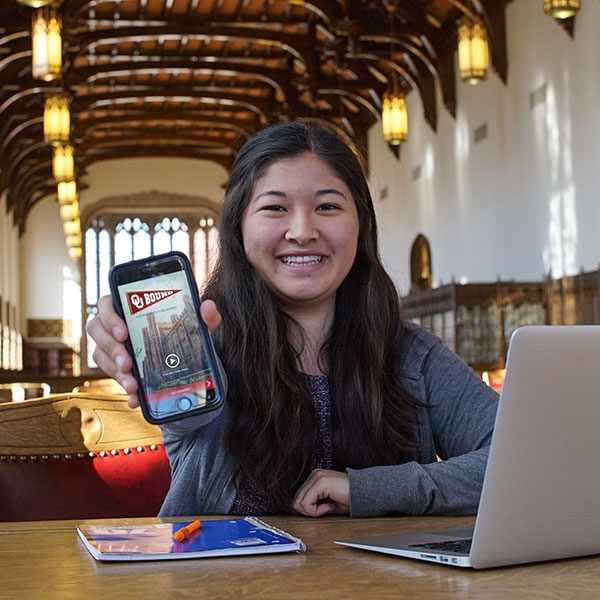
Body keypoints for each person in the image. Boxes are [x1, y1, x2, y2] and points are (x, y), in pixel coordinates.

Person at [87, 120, 499, 519]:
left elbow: (526, 460)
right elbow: (187, 419)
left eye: (328, 206)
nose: (302, 231)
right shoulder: (205, 348)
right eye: (275, 207)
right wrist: (136, 346)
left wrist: (367, 489)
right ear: (238, 230)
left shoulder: (413, 357)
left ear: (362, 226)